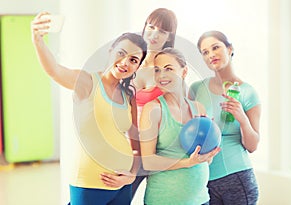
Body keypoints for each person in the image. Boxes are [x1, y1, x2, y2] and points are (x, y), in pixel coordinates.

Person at [31, 12, 147, 205]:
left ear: (137, 67)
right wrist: (37, 40)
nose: (125, 62)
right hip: (90, 183)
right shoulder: (88, 82)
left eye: (134, 60)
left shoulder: (129, 96)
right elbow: (54, 70)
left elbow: (137, 146)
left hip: (123, 185)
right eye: (122, 53)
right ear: (111, 51)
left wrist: (132, 175)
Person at [139, 48, 220, 205]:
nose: (161, 75)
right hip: (165, 200)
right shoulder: (153, 109)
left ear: (184, 72)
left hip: (202, 199)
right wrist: (186, 163)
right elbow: (148, 162)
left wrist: (209, 150)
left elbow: (203, 160)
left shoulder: (199, 108)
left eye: (168, 69)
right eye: (157, 70)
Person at [189, 30, 261, 205]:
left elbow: (252, 146)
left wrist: (242, 118)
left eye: (215, 47)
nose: (211, 54)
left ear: (230, 49)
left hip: (238, 179)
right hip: (204, 181)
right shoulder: (196, 89)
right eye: (205, 52)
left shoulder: (248, 92)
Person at [131, 7, 178, 196]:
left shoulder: (169, 67)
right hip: (126, 145)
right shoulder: (131, 60)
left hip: (155, 149)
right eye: (151, 27)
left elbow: (180, 104)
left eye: (162, 31)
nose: (154, 34)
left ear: (169, 36)